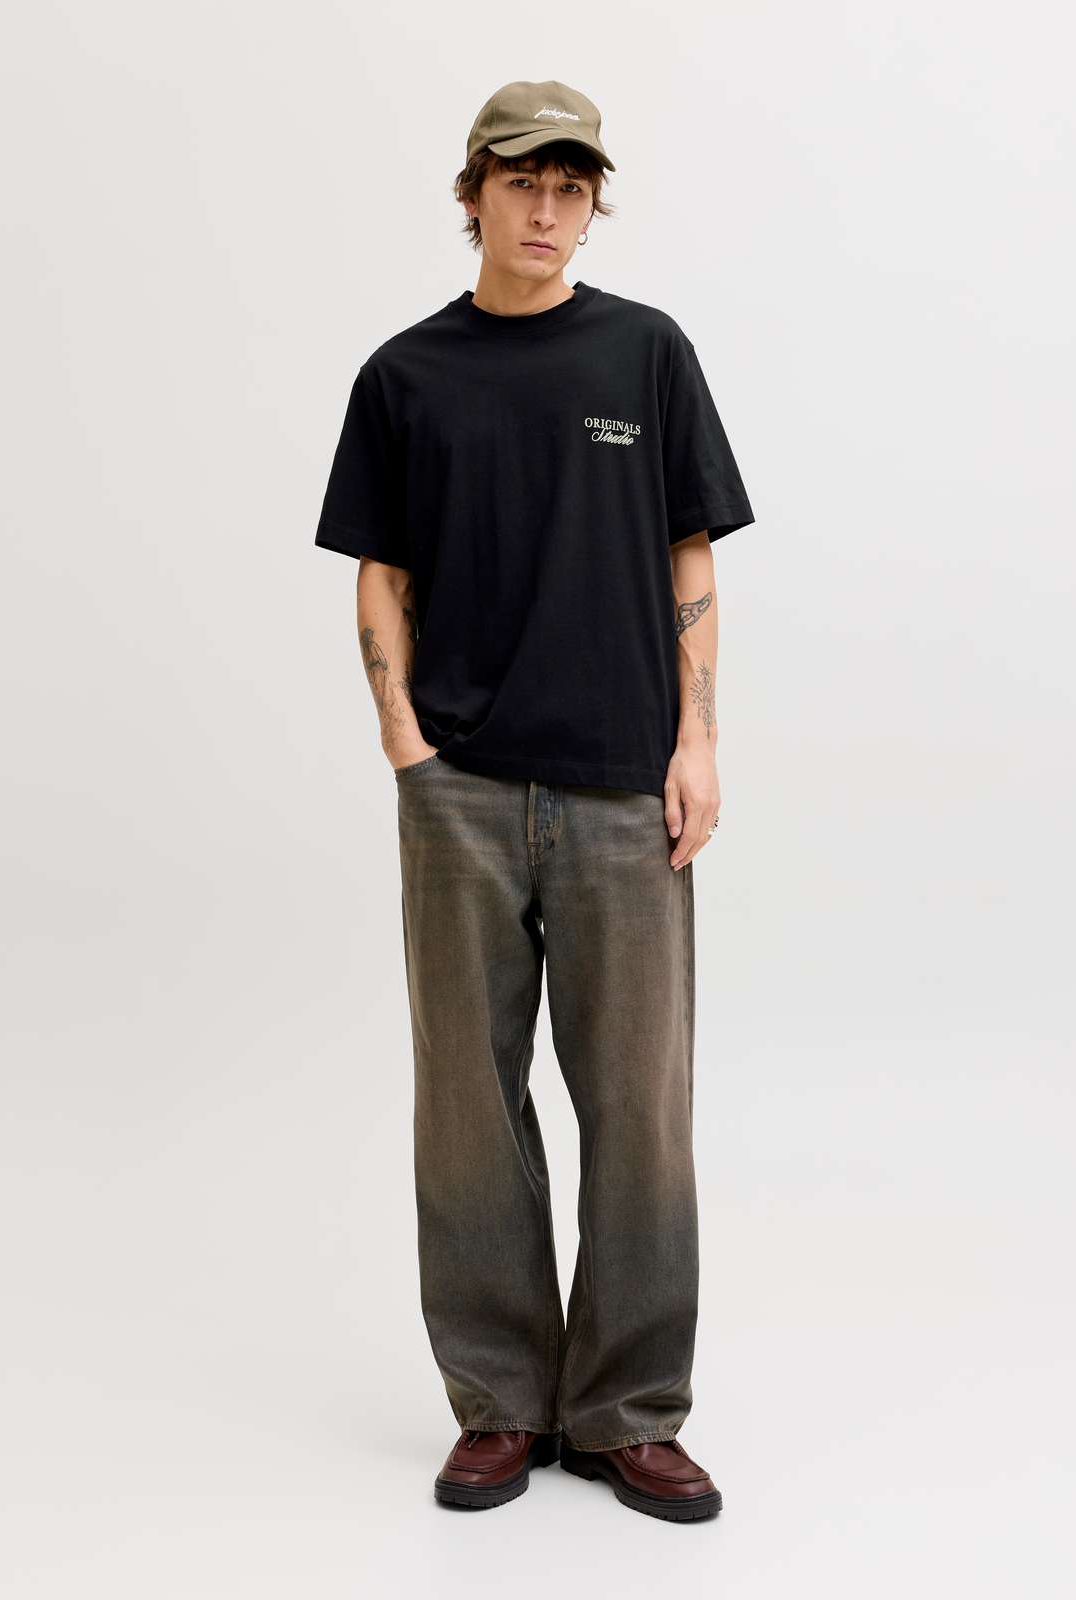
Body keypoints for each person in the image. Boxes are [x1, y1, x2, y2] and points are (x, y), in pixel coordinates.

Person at [314, 79, 755, 1522]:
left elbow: (691, 557)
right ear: (474, 195)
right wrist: (406, 744)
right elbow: (380, 569)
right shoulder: (406, 375)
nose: (548, 209)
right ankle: (501, 1403)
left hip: (628, 789)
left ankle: (627, 1411)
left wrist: (698, 744)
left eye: (572, 187)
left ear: (592, 202)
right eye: (522, 183)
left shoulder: (646, 353)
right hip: (461, 791)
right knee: (468, 1102)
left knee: (640, 1109)